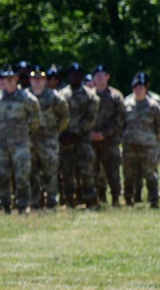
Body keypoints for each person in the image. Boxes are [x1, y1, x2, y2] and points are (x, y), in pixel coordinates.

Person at [0, 65, 40, 213]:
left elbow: (35, 121)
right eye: (6, 78)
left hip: (21, 145)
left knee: (22, 177)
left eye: (12, 78)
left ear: (17, 79)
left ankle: (22, 205)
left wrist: (24, 133)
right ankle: (4, 205)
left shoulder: (27, 99)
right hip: (2, 145)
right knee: (2, 177)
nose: (9, 81)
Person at [58, 63, 99, 208]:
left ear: (82, 76)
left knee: (86, 170)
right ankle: (69, 199)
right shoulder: (61, 95)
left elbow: (90, 118)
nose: (74, 77)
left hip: (82, 139)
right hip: (65, 139)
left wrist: (75, 133)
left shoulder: (90, 96)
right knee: (66, 170)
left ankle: (90, 199)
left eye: (77, 75)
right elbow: (58, 116)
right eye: (71, 74)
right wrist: (62, 133)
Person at [28, 65, 69, 209]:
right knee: (32, 174)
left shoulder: (54, 97)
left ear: (45, 80)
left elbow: (64, 115)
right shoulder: (25, 96)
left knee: (50, 174)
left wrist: (57, 130)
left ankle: (52, 202)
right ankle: (34, 203)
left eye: (40, 79)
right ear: (30, 80)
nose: (37, 81)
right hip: (30, 141)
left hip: (48, 141)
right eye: (34, 79)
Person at [121, 72, 160, 207]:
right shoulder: (126, 104)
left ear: (146, 89)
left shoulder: (154, 106)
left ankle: (154, 199)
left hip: (148, 146)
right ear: (133, 88)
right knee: (128, 173)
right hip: (129, 145)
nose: (138, 90)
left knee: (150, 173)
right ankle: (128, 199)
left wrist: (154, 141)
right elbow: (121, 124)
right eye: (136, 87)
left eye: (141, 87)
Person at [90, 64, 125, 206]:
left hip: (110, 140)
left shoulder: (116, 96)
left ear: (107, 77)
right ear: (93, 78)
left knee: (113, 170)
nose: (99, 78)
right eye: (97, 76)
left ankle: (116, 198)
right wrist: (91, 133)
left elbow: (120, 118)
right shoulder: (88, 95)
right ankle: (99, 197)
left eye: (102, 75)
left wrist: (104, 134)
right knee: (94, 170)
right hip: (91, 140)